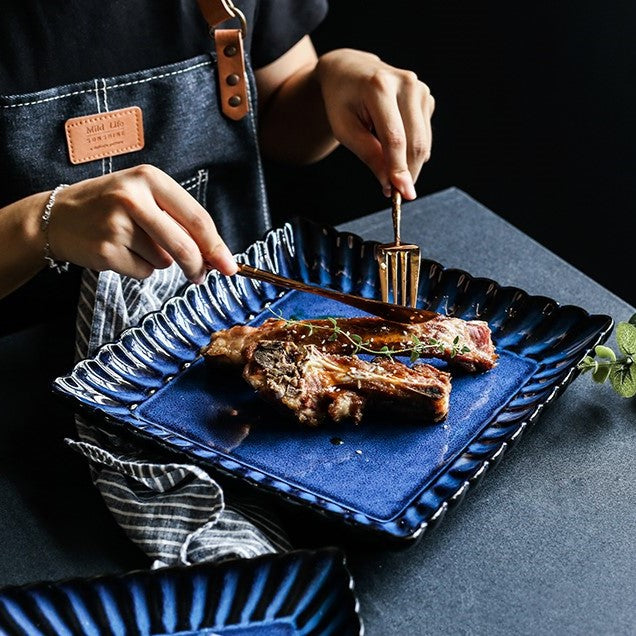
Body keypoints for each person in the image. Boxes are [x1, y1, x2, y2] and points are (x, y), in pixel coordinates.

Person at [0, 0, 435, 565]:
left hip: (222, 388)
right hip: (24, 437)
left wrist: (334, 77)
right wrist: (40, 224)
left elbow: (278, 105)